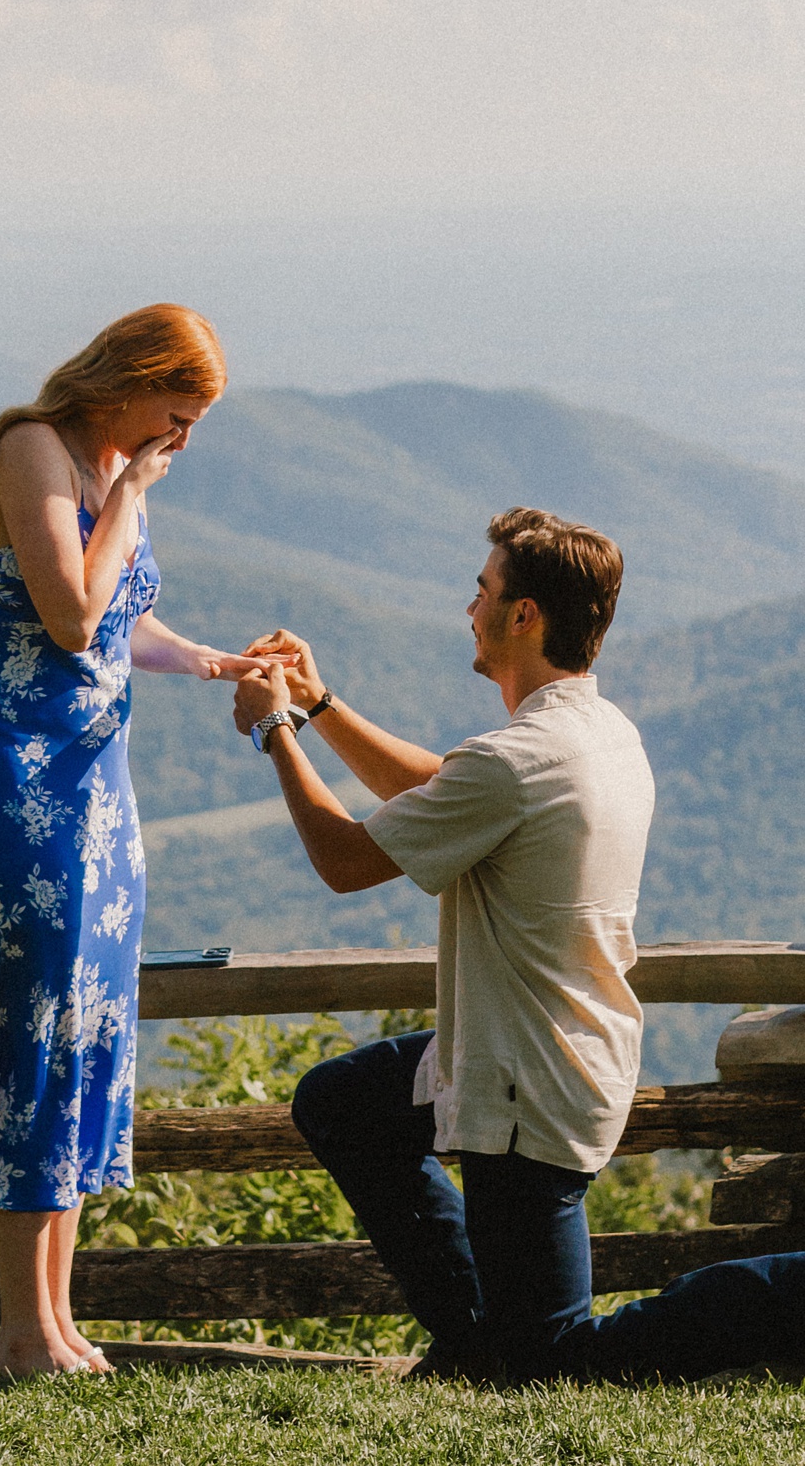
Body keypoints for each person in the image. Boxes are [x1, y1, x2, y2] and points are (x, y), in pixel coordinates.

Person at [0, 303, 287, 1377]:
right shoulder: (34, 451)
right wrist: (135, 494)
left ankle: (56, 1320)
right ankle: (22, 1330)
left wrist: (214, 661)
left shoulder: (103, 466)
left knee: (80, 1025)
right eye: (176, 413)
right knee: (33, 1024)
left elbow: (122, 624)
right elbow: (69, 615)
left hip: (95, 787)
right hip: (12, 784)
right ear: (130, 381)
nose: (181, 439)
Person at [232, 506, 657, 1382]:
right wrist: (318, 703)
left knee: (549, 1363)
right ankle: (472, 1338)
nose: (470, 608)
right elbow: (442, 789)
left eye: (483, 591)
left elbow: (346, 860)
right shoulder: (597, 735)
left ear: (524, 615)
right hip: (533, 1048)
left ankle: (780, 1297)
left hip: (525, 1086)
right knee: (345, 1102)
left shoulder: (516, 761)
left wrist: (277, 731)